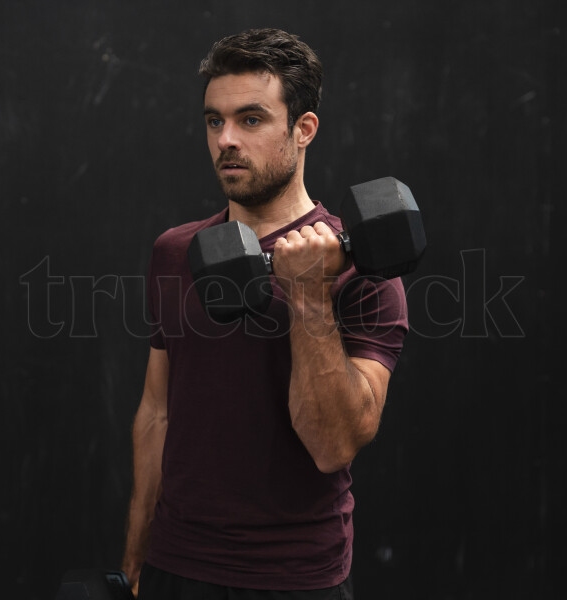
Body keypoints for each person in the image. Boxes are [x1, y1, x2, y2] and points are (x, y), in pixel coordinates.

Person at [121, 28, 409, 599]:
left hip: (294, 580)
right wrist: (135, 556)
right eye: (214, 121)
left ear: (303, 129)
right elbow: (157, 412)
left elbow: (333, 445)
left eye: (250, 120)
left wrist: (307, 294)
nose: (226, 139)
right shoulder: (175, 251)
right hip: (174, 569)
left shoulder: (366, 272)